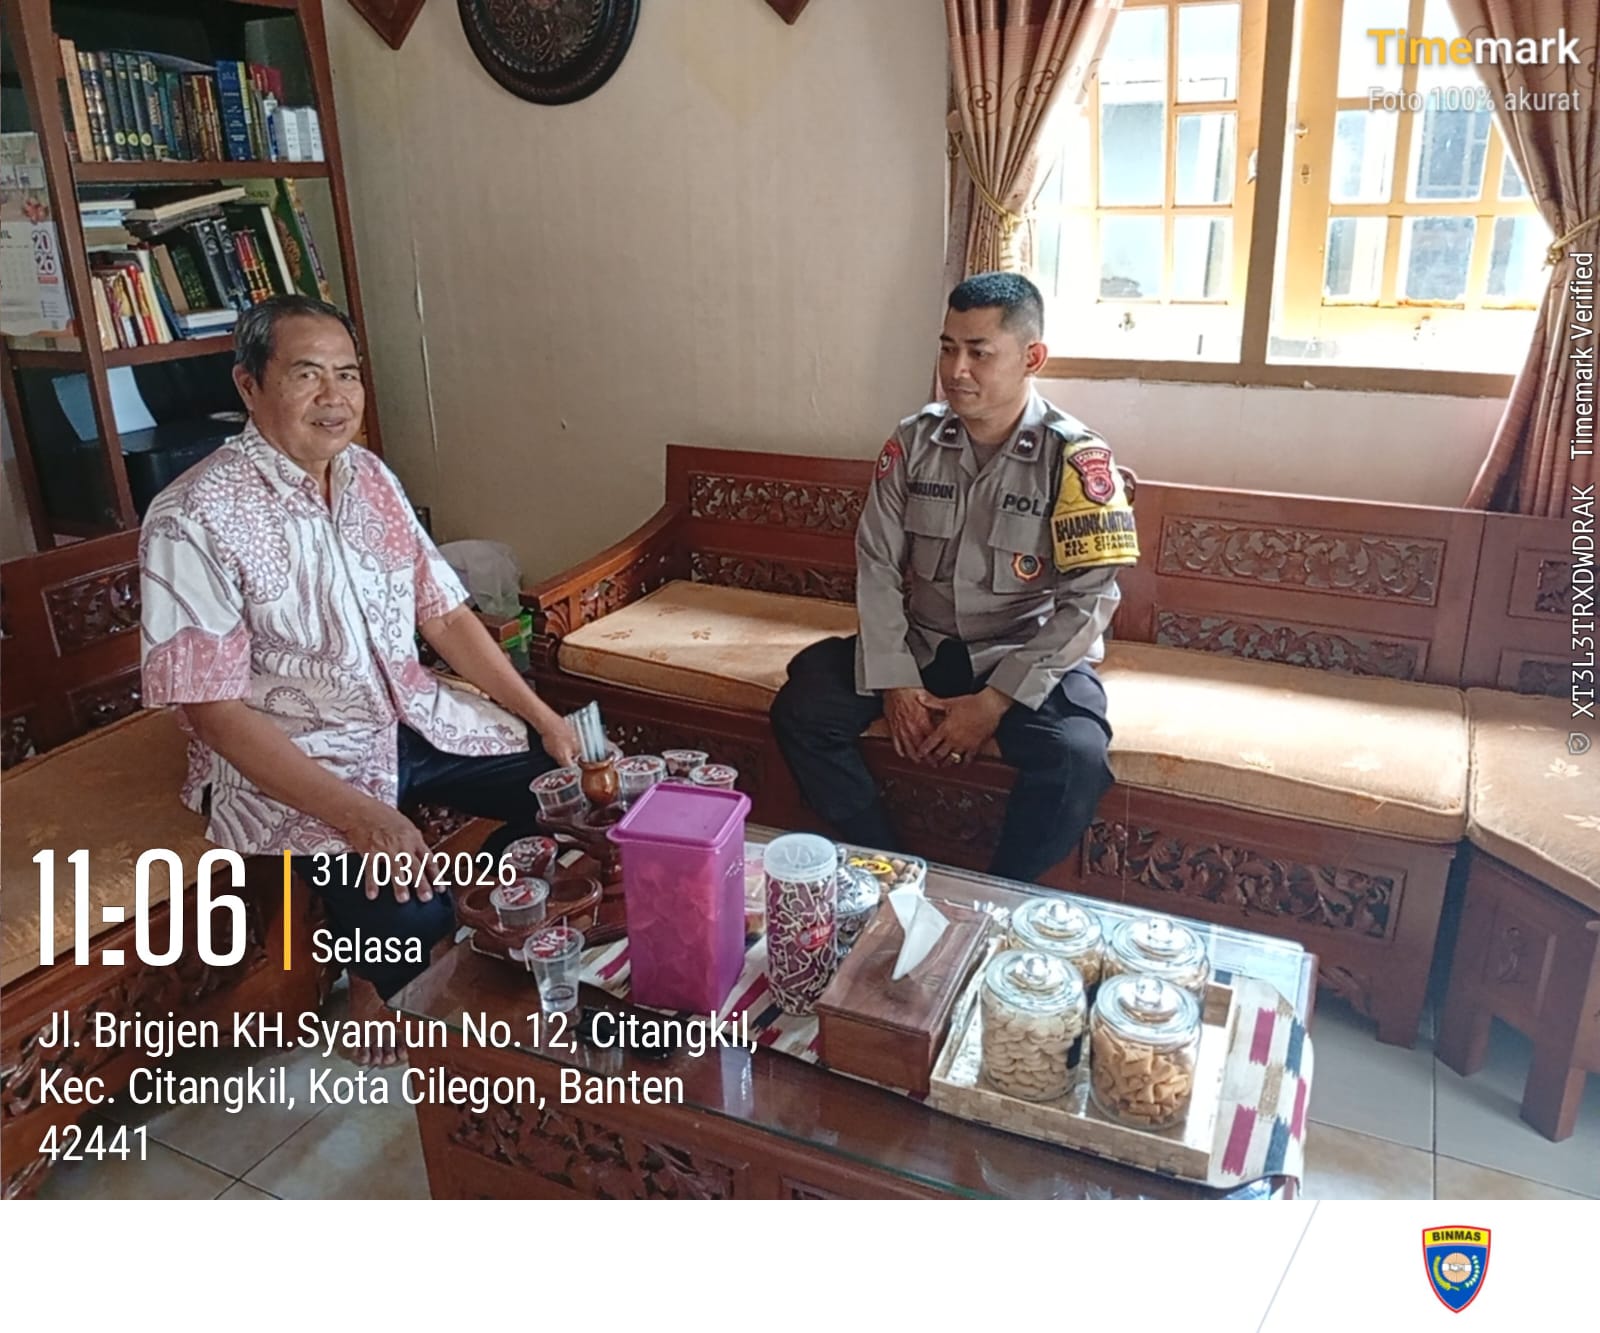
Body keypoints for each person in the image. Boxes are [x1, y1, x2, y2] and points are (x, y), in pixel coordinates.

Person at [138, 295, 580, 1063]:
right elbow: (212, 711)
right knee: (410, 917)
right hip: (296, 753)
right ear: (249, 384)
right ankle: (399, 973)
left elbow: (444, 616)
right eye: (307, 374)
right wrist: (361, 815)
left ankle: (449, 918)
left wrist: (545, 718)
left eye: (347, 374)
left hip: (407, 716)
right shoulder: (192, 516)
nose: (334, 396)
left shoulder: (369, 475)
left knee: (569, 797)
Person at [771, 272, 1138, 883]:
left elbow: (1091, 600)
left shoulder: (1074, 459)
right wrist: (895, 679)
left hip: (1020, 652)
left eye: (978, 352)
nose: (956, 370)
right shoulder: (914, 442)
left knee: (1076, 757)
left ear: (1032, 358)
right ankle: (891, 868)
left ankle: (996, 893)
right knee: (803, 707)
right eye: (947, 348)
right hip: (926, 645)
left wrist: (995, 702)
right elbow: (877, 563)